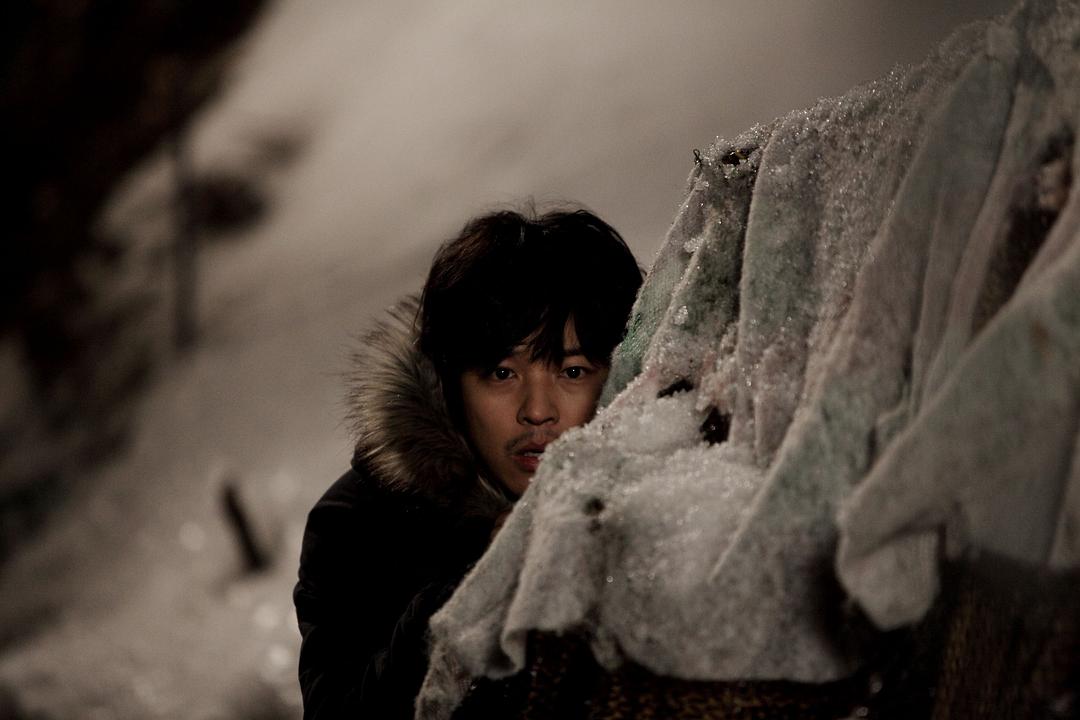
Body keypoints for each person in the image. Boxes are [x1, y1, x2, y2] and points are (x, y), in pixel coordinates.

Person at [293, 206, 643, 719]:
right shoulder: (357, 525)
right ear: (449, 384)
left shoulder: (664, 485)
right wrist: (472, 589)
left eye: (572, 370)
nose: (537, 411)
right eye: (502, 373)